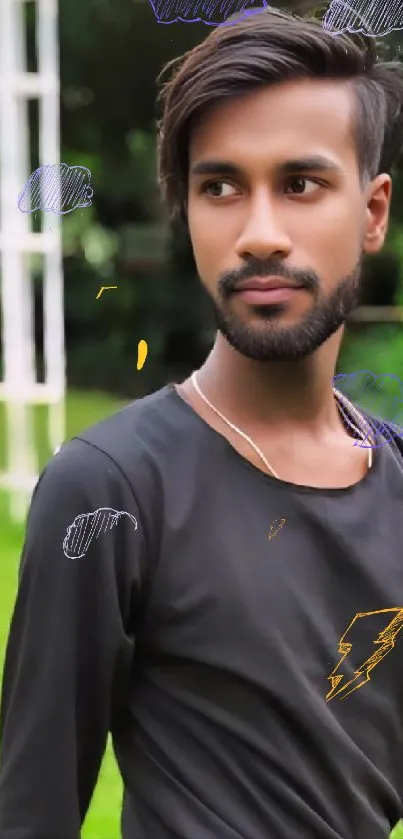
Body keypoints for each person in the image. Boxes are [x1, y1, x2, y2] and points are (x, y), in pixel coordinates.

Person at [1, 7, 403, 838]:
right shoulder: (107, 491)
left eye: (300, 184)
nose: (258, 234)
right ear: (186, 212)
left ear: (371, 212)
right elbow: (30, 811)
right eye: (219, 186)